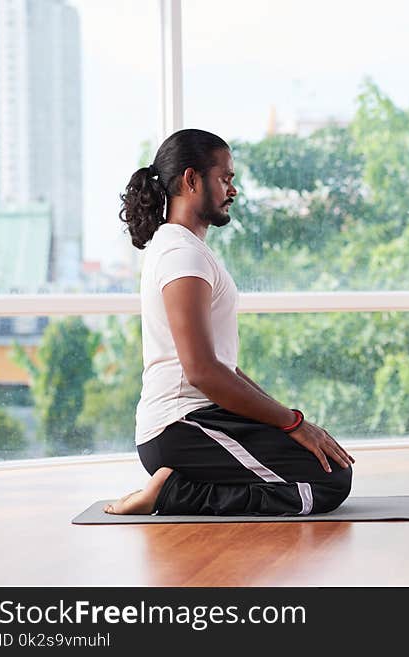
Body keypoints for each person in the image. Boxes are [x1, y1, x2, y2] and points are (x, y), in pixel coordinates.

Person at [105, 128, 354, 515]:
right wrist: (293, 424)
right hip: (180, 426)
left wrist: (290, 421)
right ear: (191, 180)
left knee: (330, 465)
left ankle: (178, 485)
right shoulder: (180, 255)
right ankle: (174, 492)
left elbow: (224, 367)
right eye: (225, 178)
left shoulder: (186, 250)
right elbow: (202, 371)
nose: (232, 190)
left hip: (201, 419)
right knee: (327, 482)